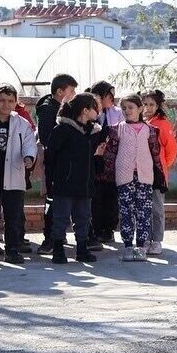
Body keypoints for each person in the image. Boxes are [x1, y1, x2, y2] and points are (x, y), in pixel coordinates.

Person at [100, 94, 165, 262]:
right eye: (124, 108)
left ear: (140, 109)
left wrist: (160, 177)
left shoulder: (150, 130)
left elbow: (155, 155)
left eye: (131, 107)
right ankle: (128, 246)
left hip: (145, 177)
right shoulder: (117, 129)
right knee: (126, 211)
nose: (127, 111)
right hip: (124, 176)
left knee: (144, 212)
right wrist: (106, 176)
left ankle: (141, 246)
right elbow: (110, 155)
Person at [44, 93, 101, 264]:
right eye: (94, 108)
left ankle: (82, 249)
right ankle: (58, 250)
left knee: (83, 217)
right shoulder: (62, 130)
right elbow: (50, 157)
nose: (97, 112)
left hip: (84, 185)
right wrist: (52, 181)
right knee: (61, 218)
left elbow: (93, 159)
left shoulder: (92, 132)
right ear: (85, 110)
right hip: (64, 184)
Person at [0, 84, 37, 265]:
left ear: (16, 102)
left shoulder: (22, 123)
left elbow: (30, 143)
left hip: (13, 174)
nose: (6, 105)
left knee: (13, 215)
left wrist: (29, 157)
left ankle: (12, 250)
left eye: (10, 101)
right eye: (2, 101)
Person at [35, 73, 79, 255]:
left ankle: (59, 234)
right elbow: (47, 138)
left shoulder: (69, 108)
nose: (74, 94)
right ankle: (49, 238)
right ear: (60, 91)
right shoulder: (47, 110)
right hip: (55, 164)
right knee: (52, 201)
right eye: (71, 91)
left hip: (68, 163)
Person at [141, 89, 177, 256]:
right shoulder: (137, 122)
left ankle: (157, 240)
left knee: (156, 208)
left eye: (151, 104)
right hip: (141, 173)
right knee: (143, 208)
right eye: (145, 104)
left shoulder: (162, 124)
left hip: (157, 173)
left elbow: (171, 150)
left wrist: (161, 166)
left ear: (158, 106)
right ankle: (145, 238)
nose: (148, 108)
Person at [90, 81, 123, 245]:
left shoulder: (117, 113)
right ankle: (95, 229)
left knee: (111, 197)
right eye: (108, 95)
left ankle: (108, 230)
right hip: (94, 161)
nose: (111, 98)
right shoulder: (90, 111)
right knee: (95, 197)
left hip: (112, 163)